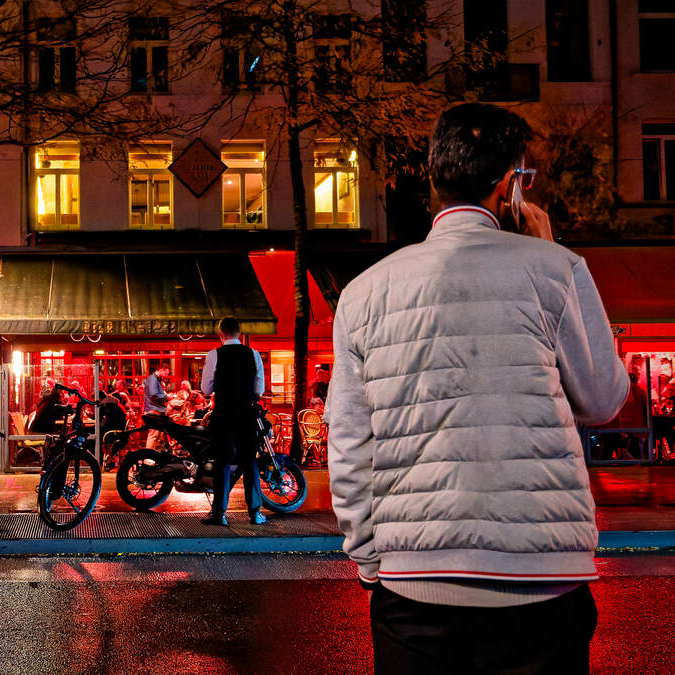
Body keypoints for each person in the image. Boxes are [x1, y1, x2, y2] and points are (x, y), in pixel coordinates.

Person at [326, 103, 628, 674]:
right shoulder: (557, 270)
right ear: (512, 183)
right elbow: (603, 398)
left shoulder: (363, 293)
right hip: (541, 583)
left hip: (415, 585)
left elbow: (348, 445)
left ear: (434, 177)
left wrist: (371, 559)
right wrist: (550, 244)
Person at [199, 317, 266, 526]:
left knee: (222, 463)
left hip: (224, 414)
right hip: (246, 414)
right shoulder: (253, 354)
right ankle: (255, 513)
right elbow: (259, 390)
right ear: (239, 333)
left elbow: (206, 389)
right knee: (250, 462)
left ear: (221, 334)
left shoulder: (214, 355)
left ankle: (219, 513)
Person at [143, 364, 171, 449]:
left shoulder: (155, 379)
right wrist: (167, 397)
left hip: (154, 409)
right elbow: (153, 395)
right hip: (153, 410)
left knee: (155, 435)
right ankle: (148, 458)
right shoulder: (153, 379)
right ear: (161, 370)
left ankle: (150, 456)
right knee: (153, 435)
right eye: (166, 374)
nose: (166, 376)